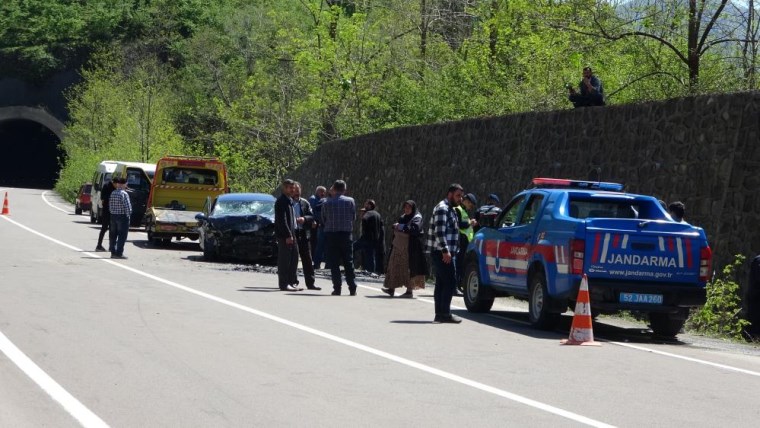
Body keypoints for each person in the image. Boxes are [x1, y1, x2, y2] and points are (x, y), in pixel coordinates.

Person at [425, 183, 464, 323]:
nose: (460, 199)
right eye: (458, 195)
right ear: (450, 194)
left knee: (441, 283)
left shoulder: (450, 209)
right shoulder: (443, 208)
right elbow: (439, 232)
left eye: (461, 196)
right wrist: (445, 251)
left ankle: (440, 314)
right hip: (442, 252)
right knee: (450, 282)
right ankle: (445, 313)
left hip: (445, 252)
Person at [382, 200, 428, 298]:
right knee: (393, 266)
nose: (406, 209)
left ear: (413, 208)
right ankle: (391, 288)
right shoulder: (403, 217)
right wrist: (397, 226)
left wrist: (401, 226)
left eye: (409, 208)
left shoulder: (417, 218)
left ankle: (409, 291)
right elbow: (400, 226)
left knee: (409, 269)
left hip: (410, 248)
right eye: (405, 207)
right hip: (398, 246)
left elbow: (415, 229)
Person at [321, 179, 358, 296]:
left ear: (334, 189)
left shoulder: (326, 202)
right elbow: (353, 217)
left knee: (334, 263)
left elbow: (323, 219)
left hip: (331, 235)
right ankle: (352, 287)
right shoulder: (350, 201)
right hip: (346, 235)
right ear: (344, 189)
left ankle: (337, 288)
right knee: (348, 261)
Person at [274, 179, 302, 292]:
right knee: (284, 260)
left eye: (293, 188)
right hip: (286, 235)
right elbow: (282, 220)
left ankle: (291, 282)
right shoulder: (281, 201)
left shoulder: (289, 200)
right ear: (284, 188)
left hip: (292, 234)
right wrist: (288, 235)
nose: (293, 190)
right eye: (290, 188)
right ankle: (284, 284)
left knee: (294, 258)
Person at [292, 182, 320, 290]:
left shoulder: (305, 203)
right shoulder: (288, 203)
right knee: (293, 259)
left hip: (303, 233)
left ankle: (310, 283)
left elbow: (311, 216)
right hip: (292, 232)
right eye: (295, 190)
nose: (297, 192)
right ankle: (293, 281)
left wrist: (305, 219)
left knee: (308, 259)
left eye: (298, 190)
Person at [353, 199, 385, 273]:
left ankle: (350, 267)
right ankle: (371, 272)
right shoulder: (377, 214)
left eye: (366, 204)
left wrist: (364, 229)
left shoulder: (368, 213)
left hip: (366, 238)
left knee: (350, 248)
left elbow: (365, 219)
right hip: (373, 239)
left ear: (370, 205)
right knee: (369, 256)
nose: (365, 206)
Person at [455, 193, 478, 292]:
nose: (470, 207)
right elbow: (459, 224)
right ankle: (455, 286)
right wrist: (470, 223)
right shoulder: (458, 209)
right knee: (458, 263)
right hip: (460, 240)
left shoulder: (463, 210)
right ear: (467, 201)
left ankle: (459, 285)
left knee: (461, 264)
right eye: (470, 205)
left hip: (465, 241)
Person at [108, 177, 132, 259]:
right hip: (122, 216)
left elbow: (110, 206)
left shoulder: (113, 193)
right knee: (122, 235)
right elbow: (128, 207)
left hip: (113, 216)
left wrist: (112, 213)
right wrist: (128, 216)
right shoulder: (124, 194)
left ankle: (113, 252)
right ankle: (119, 253)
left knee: (113, 235)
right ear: (124, 184)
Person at [308, 186, 327, 269]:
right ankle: (314, 261)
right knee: (315, 242)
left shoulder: (321, 200)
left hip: (319, 224)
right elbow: (312, 211)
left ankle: (316, 261)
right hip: (315, 224)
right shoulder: (313, 199)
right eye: (321, 191)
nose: (323, 193)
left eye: (324, 192)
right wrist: (314, 220)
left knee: (317, 243)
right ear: (317, 191)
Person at [95, 178, 115, 251]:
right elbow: (103, 198)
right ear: (114, 182)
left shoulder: (113, 187)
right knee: (105, 228)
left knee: (111, 229)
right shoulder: (106, 186)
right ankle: (99, 245)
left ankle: (110, 246)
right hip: (107, 210)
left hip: (110, 210)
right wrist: (110, 198)